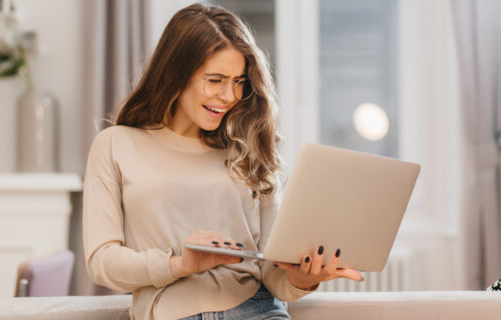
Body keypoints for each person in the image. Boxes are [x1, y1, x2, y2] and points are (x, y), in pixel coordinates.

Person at [83, 3, 362, 320]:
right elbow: (102, 261)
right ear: (175, 73)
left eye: (238, 81)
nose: (229, 96)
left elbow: (273, 273)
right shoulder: (116, 145)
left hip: (257, 309)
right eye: (215, 80)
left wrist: (304, 278)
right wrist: (179, 263)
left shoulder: (250, 147)